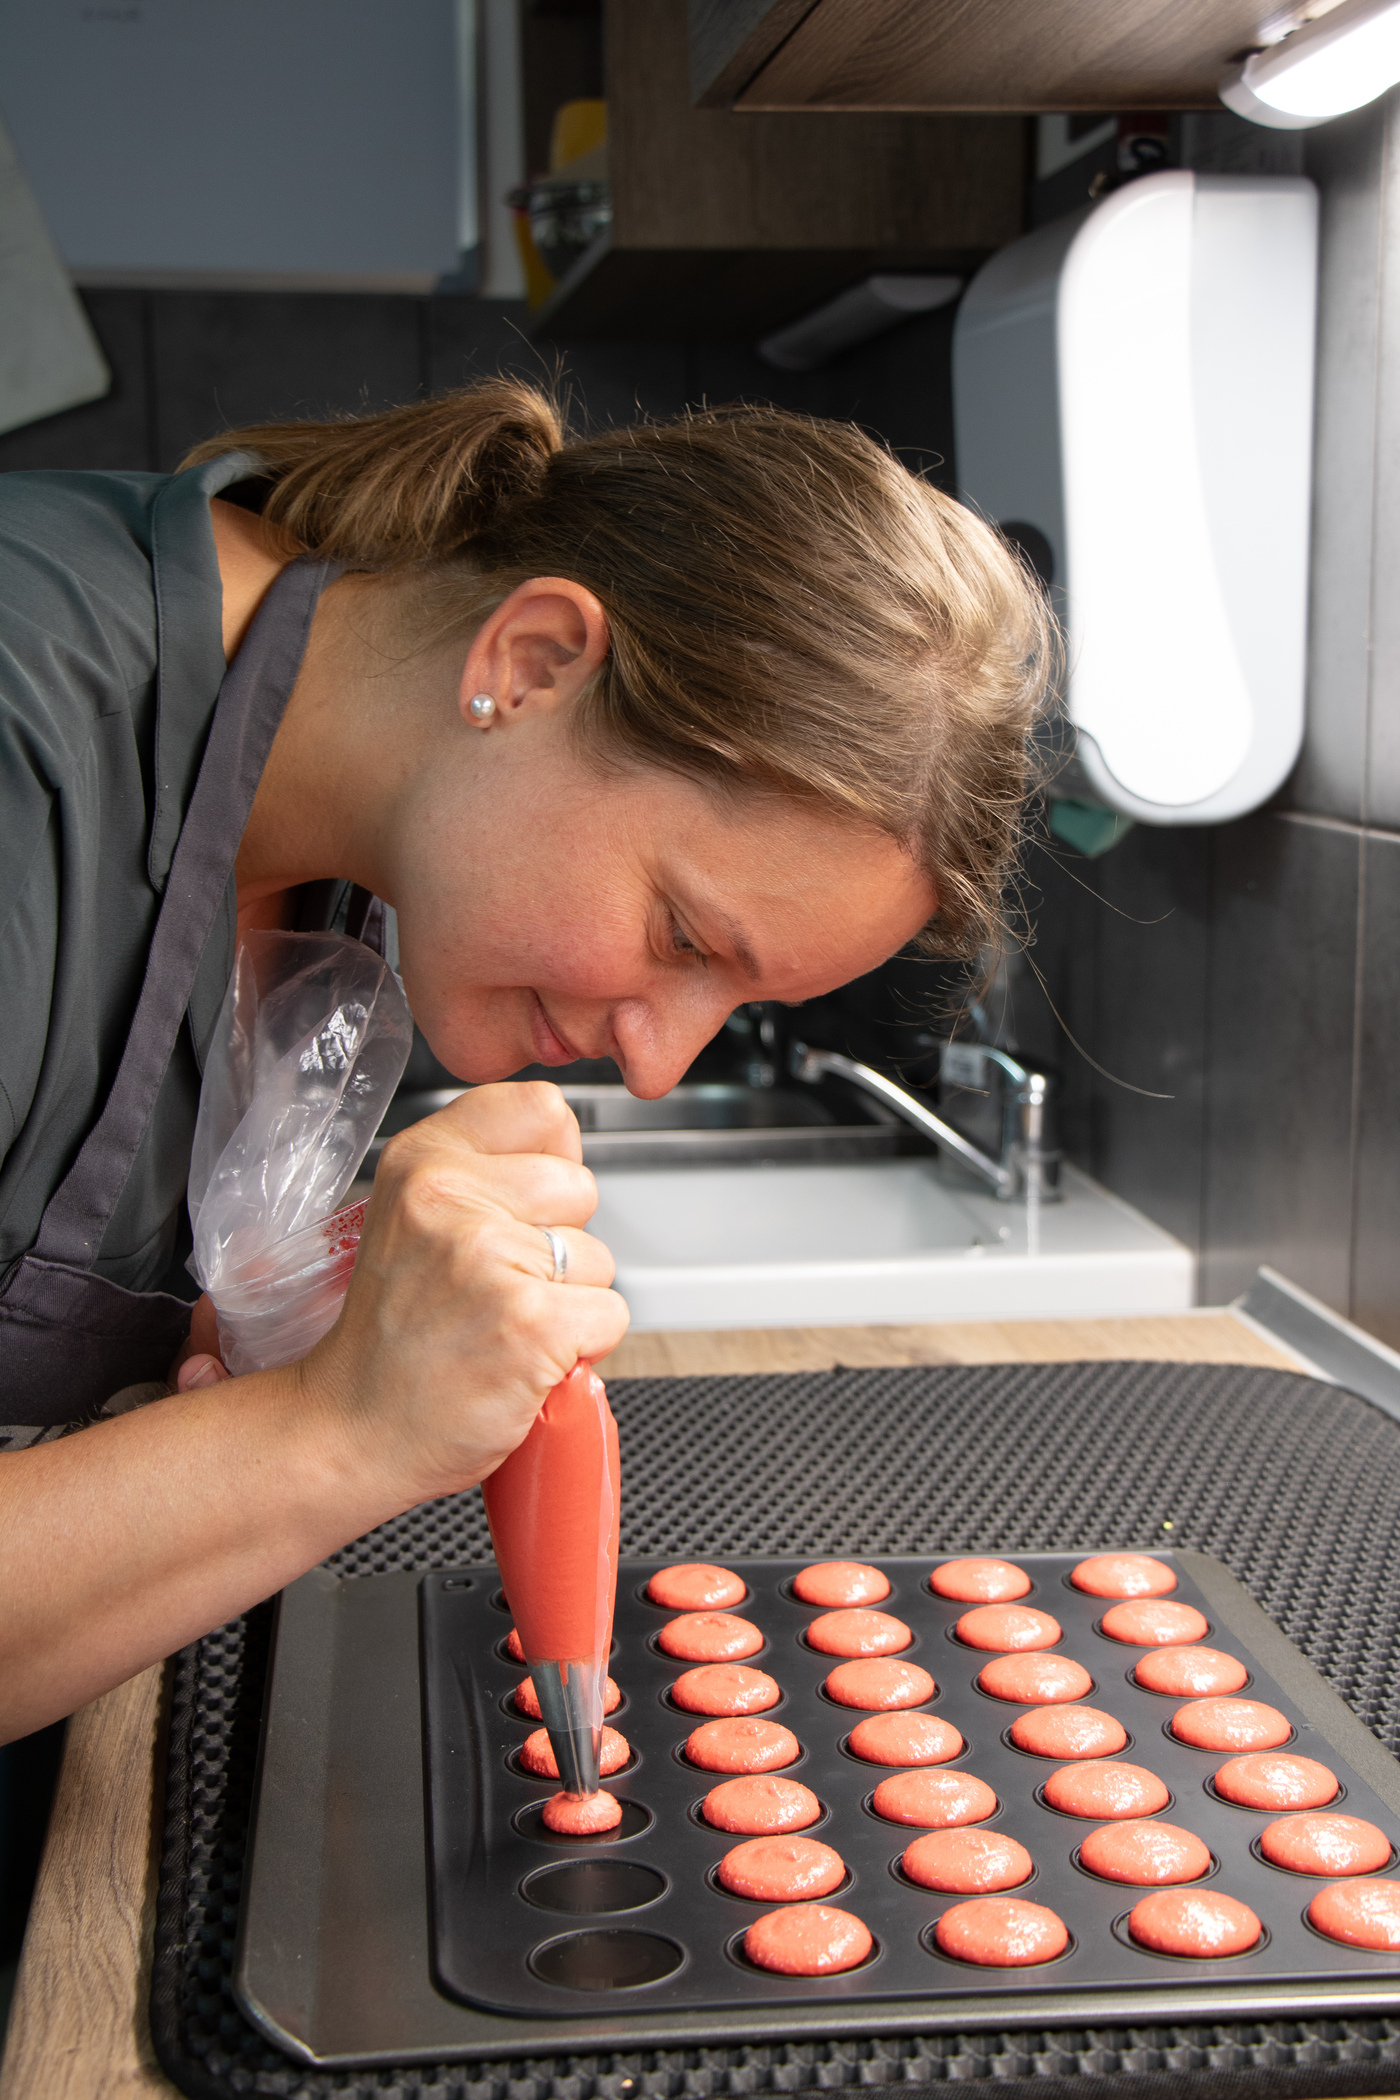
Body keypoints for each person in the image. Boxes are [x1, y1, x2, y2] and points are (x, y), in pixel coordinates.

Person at [0, 379, 1051, 1742]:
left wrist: (275, 1313)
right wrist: (336, 1429)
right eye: (682, 935)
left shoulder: (364, 819)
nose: (656, 1066)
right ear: (536, 660)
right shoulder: (27, 751)